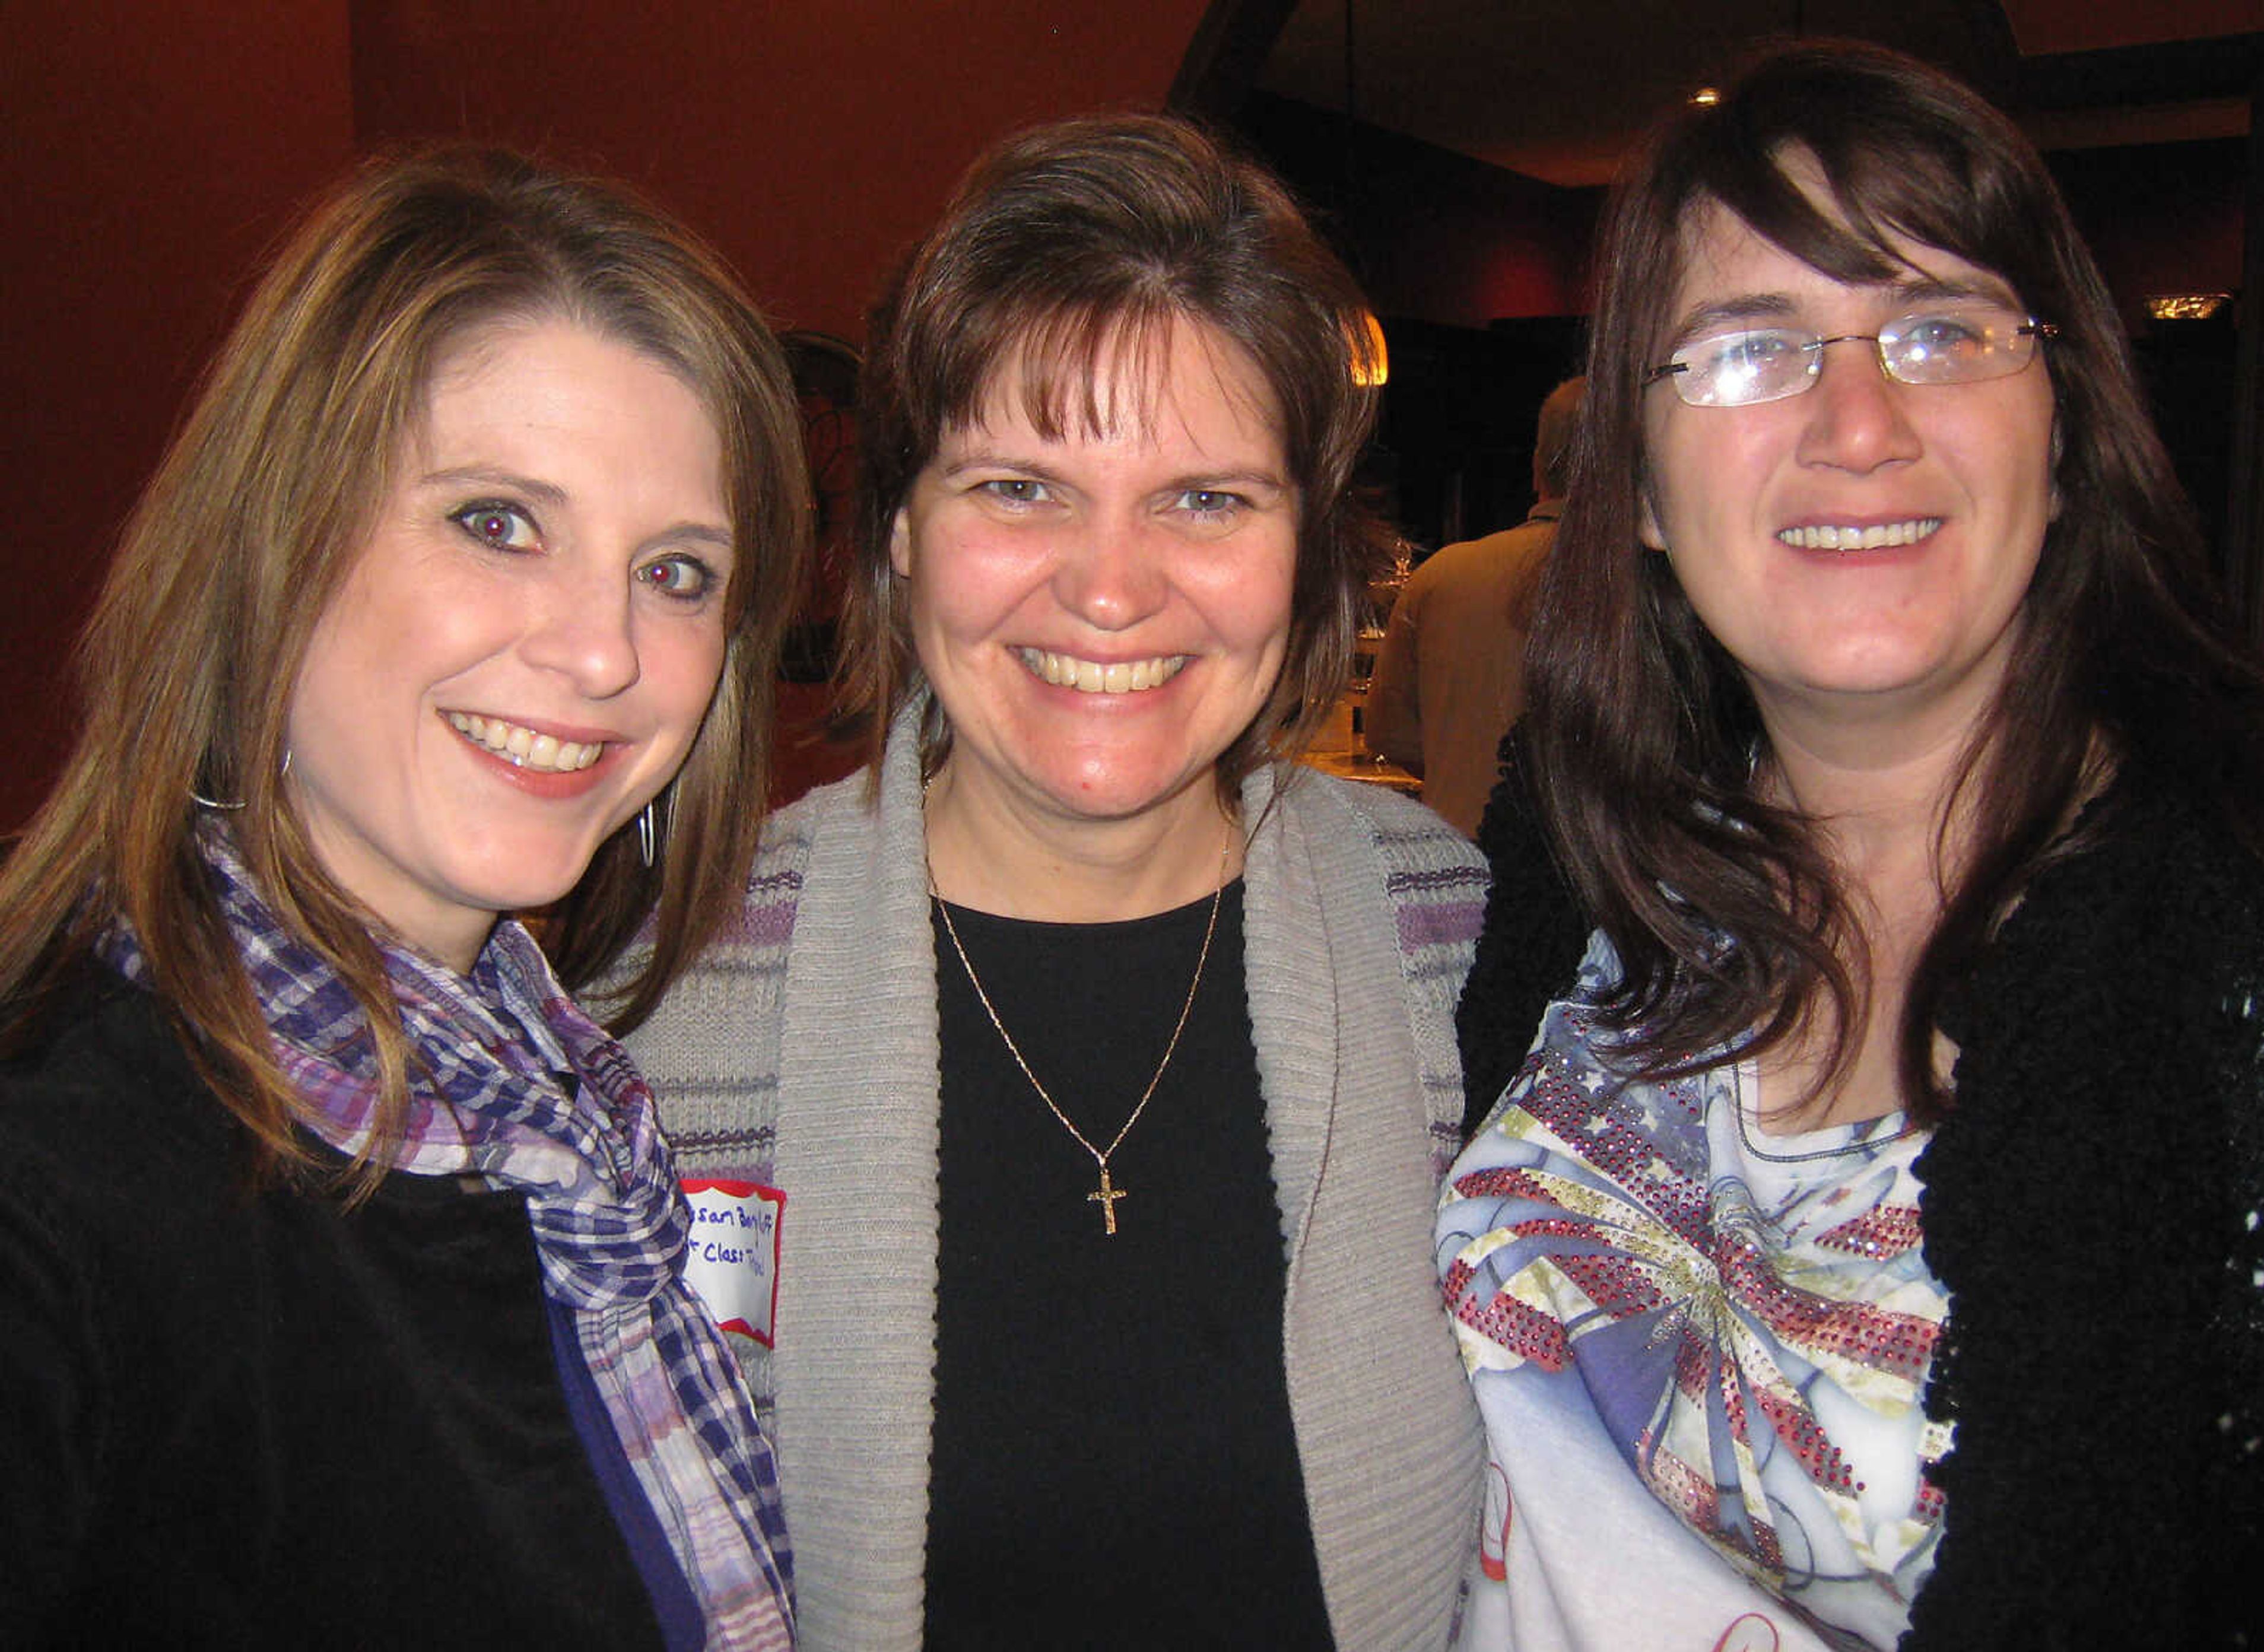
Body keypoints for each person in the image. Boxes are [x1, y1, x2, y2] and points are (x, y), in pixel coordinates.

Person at [1436, 42, 2264, 1652]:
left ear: (2069, 426)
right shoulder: (1585, 845)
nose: (1860, 422)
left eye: (1940, 329)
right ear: (1647, 490)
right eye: (1750, 349)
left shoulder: (2226, 948)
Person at [620, 114, 1486, 1649]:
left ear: (1310, 556)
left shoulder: (1449, 933)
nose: (1108, 586)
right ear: (897, 537)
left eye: (1207, 498)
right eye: (1020, 488)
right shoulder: (682, 993)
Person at [0, 148, 809, 1648]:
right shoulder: (58, 1177)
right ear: (275, 542)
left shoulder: (539, 1111)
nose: (603, 654)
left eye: (679, 571)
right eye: (497, 520)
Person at [1370, 376, 1583, 837]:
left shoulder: (1444, 576)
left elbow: (1389, 738)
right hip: (1606, 881)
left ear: (1536, 468)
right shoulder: (1662, 588)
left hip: (1457, 868)